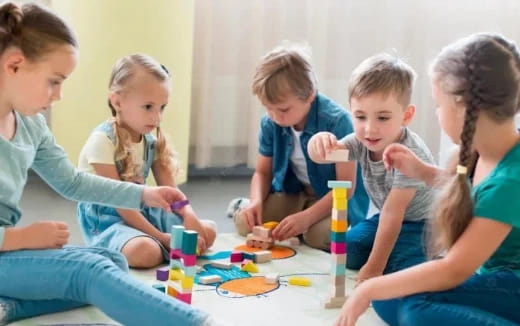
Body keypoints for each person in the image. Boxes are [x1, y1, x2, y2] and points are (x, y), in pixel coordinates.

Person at [0, 3, 222, 326]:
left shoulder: (31, 126)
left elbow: (74, 183)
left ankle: (10, 308)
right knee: (89, 273)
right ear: (14, 65)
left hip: (7, 253)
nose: (59, 95)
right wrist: (21, 239)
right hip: (9, 247)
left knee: (113, 260)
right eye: (54, 81)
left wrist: (144, 196)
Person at [335, 33, 520, 326]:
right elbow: (471, 190)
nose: (437, 114)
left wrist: (369, 287)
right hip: (491, 276)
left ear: (463, 107)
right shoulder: (483, 152)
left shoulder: (512, 180)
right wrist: (421, 171)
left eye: (437, 104)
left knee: (413, 307)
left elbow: (453, 269)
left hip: (511, 284)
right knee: (393, 298)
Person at [77, 54, 216, 268]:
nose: (157, 117)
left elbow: (171, 191)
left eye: (162, 107)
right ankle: (148, 246)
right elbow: (120, 203)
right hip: (109, 219)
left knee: (208, 231)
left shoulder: (151, 141)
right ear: (117, 101)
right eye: (148, 107)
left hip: (144, 211)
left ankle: (160, 245)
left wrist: (189, 215)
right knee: (145, 252)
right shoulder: (102, 141)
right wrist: (162, 237)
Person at [308, 53, 435, 282]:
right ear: (351, 112)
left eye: (383, 118)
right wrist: (317, 142)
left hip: (423, 225)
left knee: (399, 268)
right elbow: (324, 155)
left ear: (406, 116)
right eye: (360, 117)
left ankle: (428, 255)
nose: (370, 129)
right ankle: (391, 251)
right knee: (348, 251)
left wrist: (375, 266)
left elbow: (393, 212)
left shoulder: (410, 153)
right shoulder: (359, 141)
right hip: (385, 218)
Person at [229, 43, 369, 250]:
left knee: (322, 236)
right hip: (293, 194)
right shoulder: (270, 123)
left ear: (310, 94)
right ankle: (244, 204)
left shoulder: (338, 122)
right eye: (269, 109)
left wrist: (305, 218)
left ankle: (308, 225)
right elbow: (262, 172)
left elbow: (346, 188)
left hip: (332, 199)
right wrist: (255, 202)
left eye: (283, 109)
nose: (275, 117)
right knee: (245, 223)